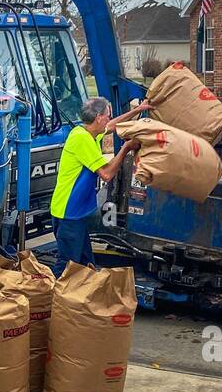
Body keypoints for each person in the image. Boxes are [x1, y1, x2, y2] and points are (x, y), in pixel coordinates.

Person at [48, 95, 149, 276]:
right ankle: (50, 300)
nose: (109, 120)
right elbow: (107, 173)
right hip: (68, 213)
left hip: (76, 212)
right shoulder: (81, 139)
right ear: (98, 118)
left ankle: (81, 299)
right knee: (66, 267)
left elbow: (112, 127)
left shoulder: (88, 132)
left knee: (86, 263)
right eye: (107, 115)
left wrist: (138, 111)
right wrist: (126, 148)